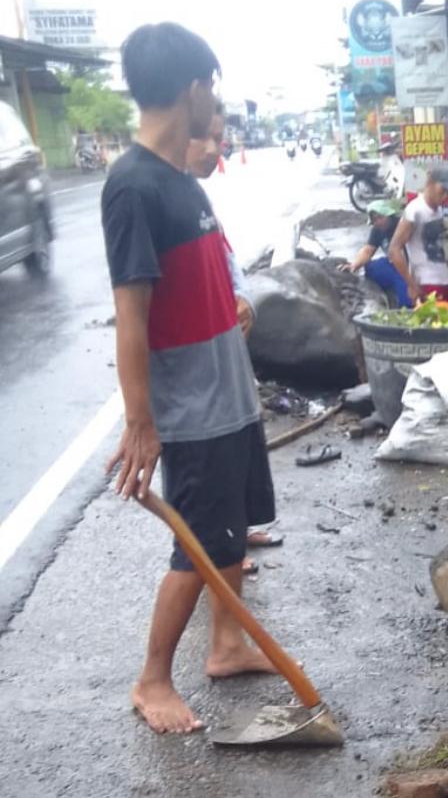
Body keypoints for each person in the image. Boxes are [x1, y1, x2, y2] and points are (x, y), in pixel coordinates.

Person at [101, 23, 278, 736]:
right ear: (193, 87)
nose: (217, 104)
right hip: (192, 406)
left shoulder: (180, 180)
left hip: (227, 393)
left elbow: (190, 283)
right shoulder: (133, 186)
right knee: (198, 544)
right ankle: (151, 680)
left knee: (232, 529)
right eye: (214, 87)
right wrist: (141, 421)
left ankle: (227, 645)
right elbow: (130, 316)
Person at [184, 103, 282, 575]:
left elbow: (228, 263)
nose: (212, 149)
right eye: (202, 137)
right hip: (199, 379)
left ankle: (238, 533)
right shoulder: (160, 198)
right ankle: (221, 551)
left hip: (229, 354)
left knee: (244, 454)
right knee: (211, 481)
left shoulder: (200, 201)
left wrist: (244, 299)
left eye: (218, 139)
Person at [388, 168, 448, 305]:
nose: (446, 197)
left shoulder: (438, 211)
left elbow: (439, 250)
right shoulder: (414, 210)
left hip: (443, 280)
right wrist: (411, 285)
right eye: (442, 191)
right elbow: (394, 250)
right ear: (430, 183)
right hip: (426, 282)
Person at [338, 200, 410, 307]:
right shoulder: (377, 230)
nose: (378, 222)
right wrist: (354, 265)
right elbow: (368, 250)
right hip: (392, 263)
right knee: (371, 268)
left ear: (388, 214)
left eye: (381, 218)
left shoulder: (402, 224)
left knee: (406, 299)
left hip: (408, 264)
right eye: (375, 220)